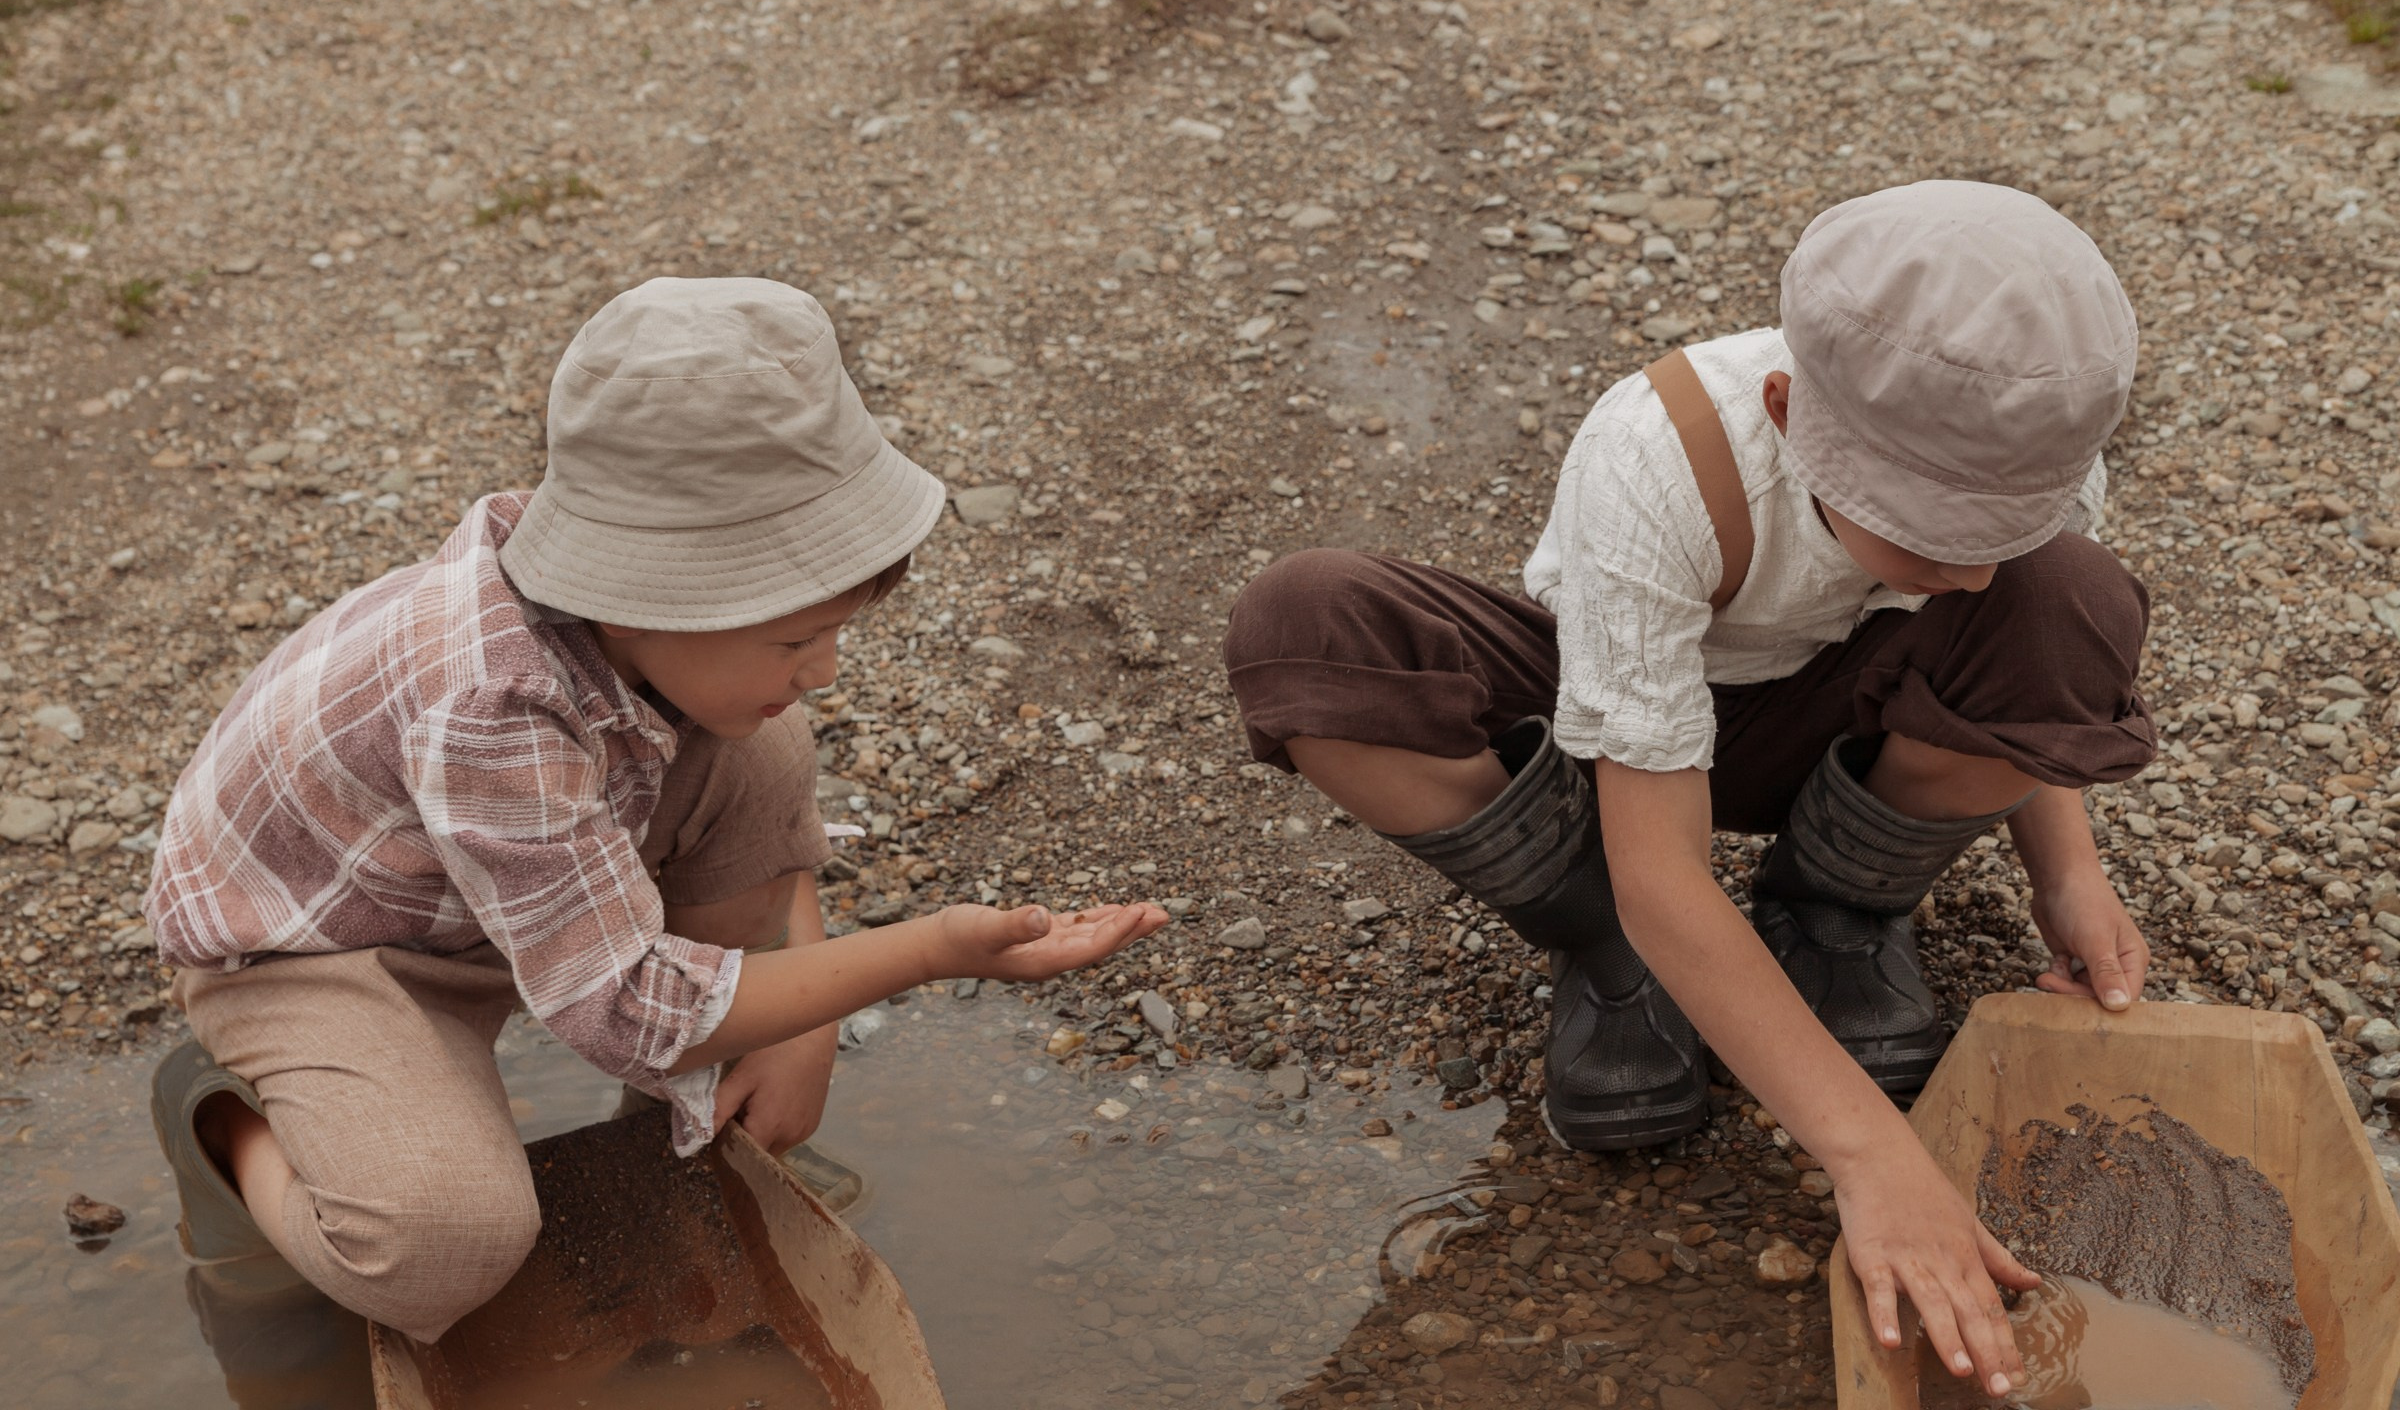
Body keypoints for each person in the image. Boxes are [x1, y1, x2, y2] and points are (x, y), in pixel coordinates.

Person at [1223, 181, 2155, 1397]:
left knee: (2074, 595)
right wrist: (1874, 1159)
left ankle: (1833, 909)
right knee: (1305, 628)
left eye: (1993, 529)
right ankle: (1611, 948)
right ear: (1787, 410)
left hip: (1834, 732)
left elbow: (2021, 650)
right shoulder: (1655, 461)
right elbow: (1664, 859)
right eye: (1928, 540)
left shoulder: (2020, 444)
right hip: (1613, 732)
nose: (1968, 569)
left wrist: (2068, 872)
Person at [144, 278, 1170, 1342]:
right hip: (320, 943)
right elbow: (622, 1008)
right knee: (442, 1250)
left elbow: (757, 803)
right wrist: (923, 951)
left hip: (485, 879)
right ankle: (226, 1127)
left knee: (762, 745)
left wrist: (797, 1005)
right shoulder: (489, 705)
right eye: (792, 640)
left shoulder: (628, 643)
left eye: (835, 630)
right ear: (650, 595)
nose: (823, 668)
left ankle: (671, 1142)